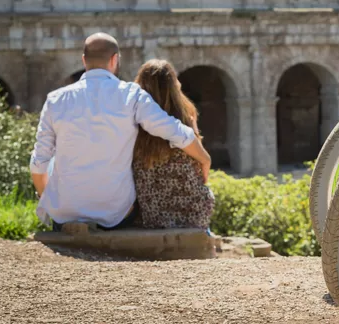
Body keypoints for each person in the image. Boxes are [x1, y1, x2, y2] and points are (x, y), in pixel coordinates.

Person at [29, 33, 212, 231]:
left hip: (64, 214)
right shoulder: (132, 95)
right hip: (115, 215)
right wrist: (204, 158)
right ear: (115, 59)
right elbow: (176, 132)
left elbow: (39, 163)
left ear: (83, 60)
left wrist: (48, 200)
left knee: (54, 158)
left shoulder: (55, 99)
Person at [131, 59, 215, 229]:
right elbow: (199, 160)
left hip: (149, 209)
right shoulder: (187, 115)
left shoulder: (133, 119)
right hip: (193, 208)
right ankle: (206, 239)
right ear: (173, 84)